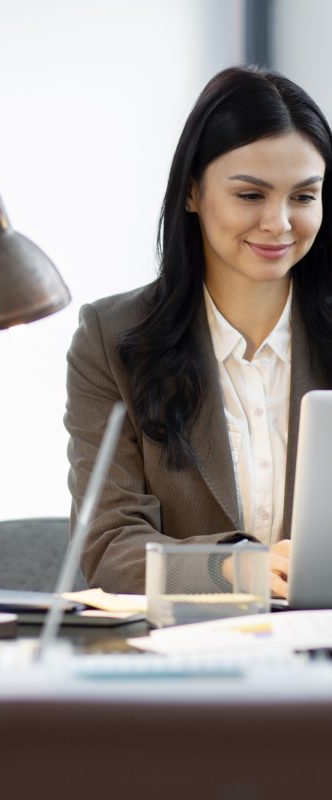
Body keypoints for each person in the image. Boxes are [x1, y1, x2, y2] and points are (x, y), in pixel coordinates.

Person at [64, 65, 332, 599]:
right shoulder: (112, 338)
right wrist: (232, 569)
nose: (280, 222)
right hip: (183, 659)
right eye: (251, 195)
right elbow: (108, 546)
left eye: (303, 197)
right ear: (192, 193)